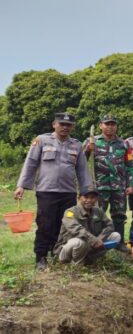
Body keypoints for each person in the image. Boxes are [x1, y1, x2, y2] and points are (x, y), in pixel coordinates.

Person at [15, 112, 92, 270]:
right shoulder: (42, 140)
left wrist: (87, 191)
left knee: (64, 225)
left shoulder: (76, 145)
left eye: (68, 125)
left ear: (72, 127)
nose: (65, 127)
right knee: (45, 224)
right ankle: (41, 257)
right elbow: (30, 164)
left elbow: (83, 170)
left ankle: (57, 254)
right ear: (54, 124)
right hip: (46, 191)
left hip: (68, 192)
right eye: (61, 124)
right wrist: (21, 185)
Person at [84, 114, 133, 252]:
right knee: (96, 215)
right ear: (101, 125)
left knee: (119, 214)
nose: (110, 127)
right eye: (107, 124)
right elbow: (81, 162)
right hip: (99, 187)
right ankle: (95, 242)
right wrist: (87, 149)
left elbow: (130, 165)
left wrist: (130, 184)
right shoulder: (91, 141)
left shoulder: (124, 144)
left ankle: (119, 243)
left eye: (113, 124)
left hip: (119, 186)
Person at [53, 187, 121, 265]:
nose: (89, 200)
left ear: (96, 199)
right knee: (79, 242)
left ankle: (91, 259)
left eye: (92, 198)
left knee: (115, 236)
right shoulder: (70, 212)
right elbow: (75, 229)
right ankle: (76, 265)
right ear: (79, 198)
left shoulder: (99, 211)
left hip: (91, 246)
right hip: (68, 250)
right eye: (86, 197)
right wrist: (93, 240)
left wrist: (99, 239)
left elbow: (110, 226)